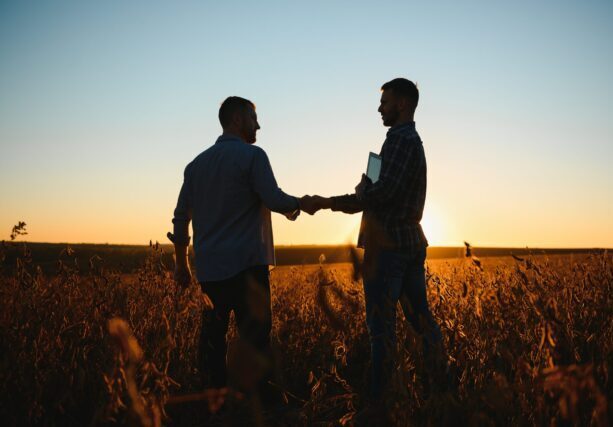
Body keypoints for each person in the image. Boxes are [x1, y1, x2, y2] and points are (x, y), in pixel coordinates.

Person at [301, 78, 447, 413]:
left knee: (380, 328)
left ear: (403, 104)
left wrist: (334, 200)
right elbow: (377, 188)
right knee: (421, 320)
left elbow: (382, 193)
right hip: (408, 242)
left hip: (389, 248)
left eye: (385, 102)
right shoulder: (404, 141)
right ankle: (442, 386)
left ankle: (381, 399)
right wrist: (362, 190)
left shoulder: (399, 140)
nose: (379, 108)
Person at [170, 96, 301, 404]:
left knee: (212, 340)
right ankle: (261, 405)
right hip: (248, 267)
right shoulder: (253, 156)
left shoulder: (196, 165)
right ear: (238, 120)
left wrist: (181, 265)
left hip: (211, 270)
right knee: (256, 339)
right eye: (254, 118)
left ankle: (214, 402)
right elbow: (275, 198)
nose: (259, 125)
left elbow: (179, 218)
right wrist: (298, 206)